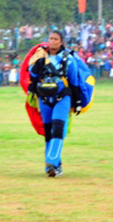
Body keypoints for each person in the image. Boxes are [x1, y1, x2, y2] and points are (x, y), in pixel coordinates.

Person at [26, 31, 81, 177]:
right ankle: (54, 166)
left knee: (57, 128)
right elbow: (32, 76)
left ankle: (51, 161)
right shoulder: (40, 57)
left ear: (62, 42)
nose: (53, 41)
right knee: (48, 131)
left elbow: (74, 81)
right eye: (51, 38)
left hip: (62, 97)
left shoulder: (68, 59)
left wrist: (77, 102)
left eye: (56, 39)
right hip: (44, 98)